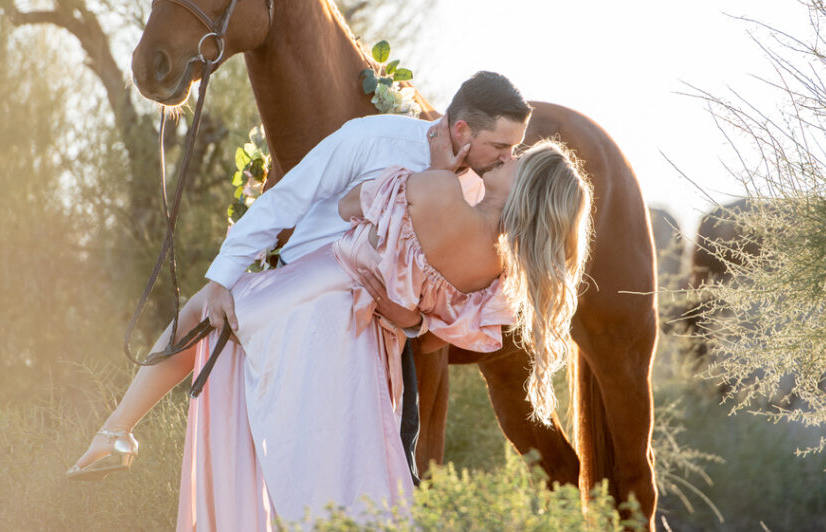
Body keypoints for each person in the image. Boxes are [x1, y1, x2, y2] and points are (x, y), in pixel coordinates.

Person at [67, 74, 592, 526]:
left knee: (319, 457)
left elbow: (358, 216)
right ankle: (118, 433)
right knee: (347, 476)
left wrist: (400, 298)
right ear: (461, 131)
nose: (508, 157)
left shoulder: (455, 189)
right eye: (502, 148)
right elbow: (292, 202)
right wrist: (402, 310)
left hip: (332, 306)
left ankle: (118, 430)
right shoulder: (379, 145)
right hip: (348, 318)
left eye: (513, 153)